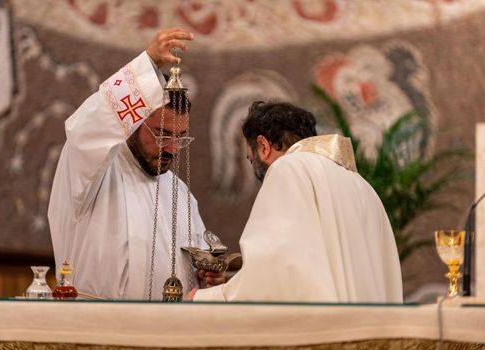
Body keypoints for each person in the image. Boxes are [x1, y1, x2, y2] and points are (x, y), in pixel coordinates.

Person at [48, 28, 223, 300]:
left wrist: (206, 278)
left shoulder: (181, 195)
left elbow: (199, 264)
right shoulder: (91, 172)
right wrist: (148, 64)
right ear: (131, 123)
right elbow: (85, 129)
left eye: (180, 137)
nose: (172, 148)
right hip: (95, 327)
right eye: (162, 134)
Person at [187, 101, 403, 302]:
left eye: (250, 159)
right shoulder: (361, 185)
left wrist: (207, 297)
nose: (254, 168)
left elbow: (277, 267)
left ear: (263, 145)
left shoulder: (288, 168)